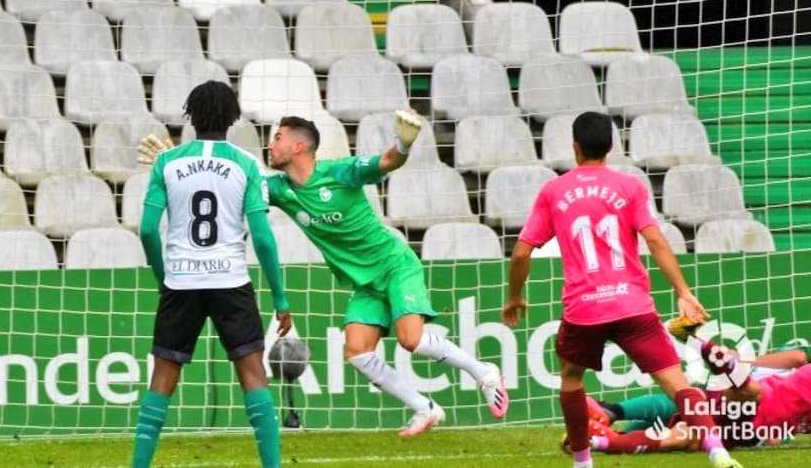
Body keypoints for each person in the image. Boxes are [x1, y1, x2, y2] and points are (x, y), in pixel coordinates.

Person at [142, 110, 508, 436]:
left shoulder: (340, 173)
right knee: (358, 351)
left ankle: (484, 372)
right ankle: (424, 408)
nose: (271, 145)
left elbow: (386, 161)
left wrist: (404, 143)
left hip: (394, 264)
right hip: (365, 282)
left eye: (278, 138)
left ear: (300, 146)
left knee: (410, 339)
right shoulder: (279, 189)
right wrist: (174, 165)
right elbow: (226, 187)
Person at [501, 111, 743, 468]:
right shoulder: (630, 186)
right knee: (677, 383)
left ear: (575, 147)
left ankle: (583, 462)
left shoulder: (554, 191)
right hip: (632, 305)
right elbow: (655, 238)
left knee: (570, 380)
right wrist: (683, 291)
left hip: (584, 309)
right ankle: (716, 450)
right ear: (612, 147)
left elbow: (522, 251)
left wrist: (515, 296)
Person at [131, 81, 292, 468]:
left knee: (162, 380)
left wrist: (163, 276)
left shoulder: (167, 162)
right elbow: (265, 240)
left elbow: (148, 230)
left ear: (191, 117)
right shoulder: (246, 164)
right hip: (230, 280)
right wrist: (281, 299)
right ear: (234, 118)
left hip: (182, 282)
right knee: (253, 375)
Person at [587, 323, 810, 454]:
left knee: (686, 436)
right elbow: (799, 356)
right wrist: (744, 360)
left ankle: (604, 439)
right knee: (738, 395)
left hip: (749, 428)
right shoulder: (790, 375)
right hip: (740, 397)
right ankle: (612, 413)